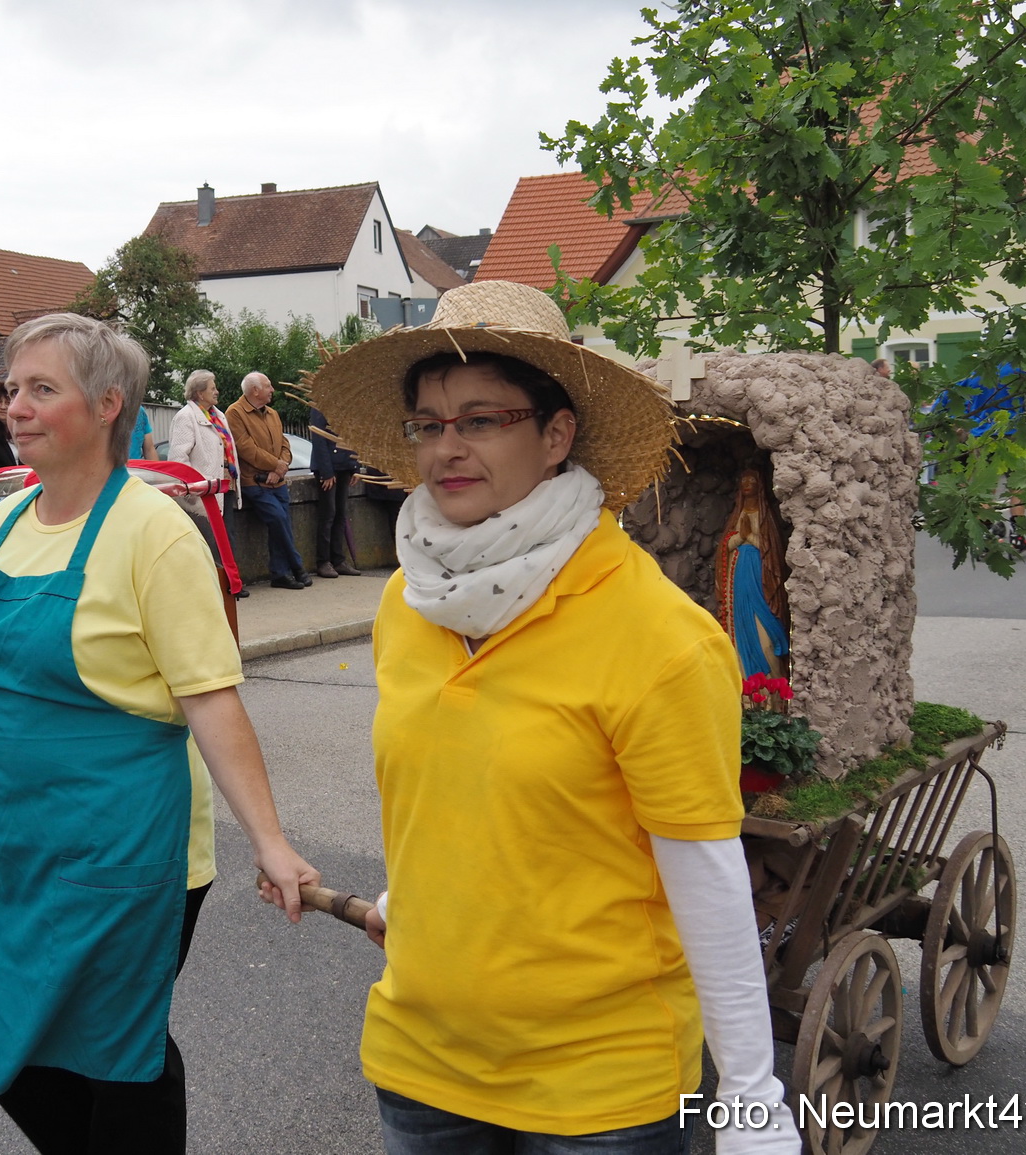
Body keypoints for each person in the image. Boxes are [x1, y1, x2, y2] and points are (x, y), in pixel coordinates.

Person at [309, 280, 801, 1155]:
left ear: (556, 434)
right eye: (429, 423)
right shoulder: (407, 603)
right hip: (421, 1060)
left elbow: (706, 873)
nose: (447, 448)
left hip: (597, 1087)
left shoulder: (658, 636)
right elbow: (449, 797)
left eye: (481, 419)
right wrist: (421, 902)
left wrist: (751, 1091)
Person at [0, 312, 317, 1155]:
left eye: (42, 388)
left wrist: (271, 842)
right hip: (6, 837)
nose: (15, 407)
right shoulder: (2, 522)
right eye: (13, 389)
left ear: (107, 405)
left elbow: (211, 700)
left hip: (123, 846)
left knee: (114, 1051)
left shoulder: (154, 531)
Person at [226, 372, 309, 590]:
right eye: (268, 386)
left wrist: (280, 467)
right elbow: (246, 449)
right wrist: (275, 465)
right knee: (279, 519)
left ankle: (280, 574)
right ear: (255, 390)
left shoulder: (273, 414)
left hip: (276, 481)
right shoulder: (235, 413)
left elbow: (285, 444)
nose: (272, 390)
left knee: (281, 523)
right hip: (254, 482)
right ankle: (297, 566)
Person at [714, 468, 789, 680]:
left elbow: (772, 553)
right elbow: (724, 549)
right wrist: (740, 537)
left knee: (766, 640)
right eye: (743, 480)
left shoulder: (766, 519)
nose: (747, 484)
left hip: (761, 584)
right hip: (739, 583)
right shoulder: (737, 517)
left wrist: (750, 537)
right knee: (740, 635)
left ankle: (771, 692)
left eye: (751, 480)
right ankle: (746, 692)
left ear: (760, 486)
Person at [166, 369, 240, 557]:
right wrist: (194, 488)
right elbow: (178, 458)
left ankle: (229, 576)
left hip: (225, 485)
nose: (217, 392)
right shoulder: (186, 417)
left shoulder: (218, 416)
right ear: (199, 393)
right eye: (212, 388)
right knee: (209, 542)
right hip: (203, 491)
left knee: (227, 538)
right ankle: (218, 576)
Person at [308, 405, 362, 578]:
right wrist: (326, 471)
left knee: (340, 514)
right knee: (328, 514)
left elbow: (353, 435)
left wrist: (355, 466)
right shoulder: (320, 405)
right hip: (329, 468)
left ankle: (338, 560)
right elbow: (318, 438)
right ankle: (323, 561)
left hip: (345, 465)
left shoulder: (345, 405)